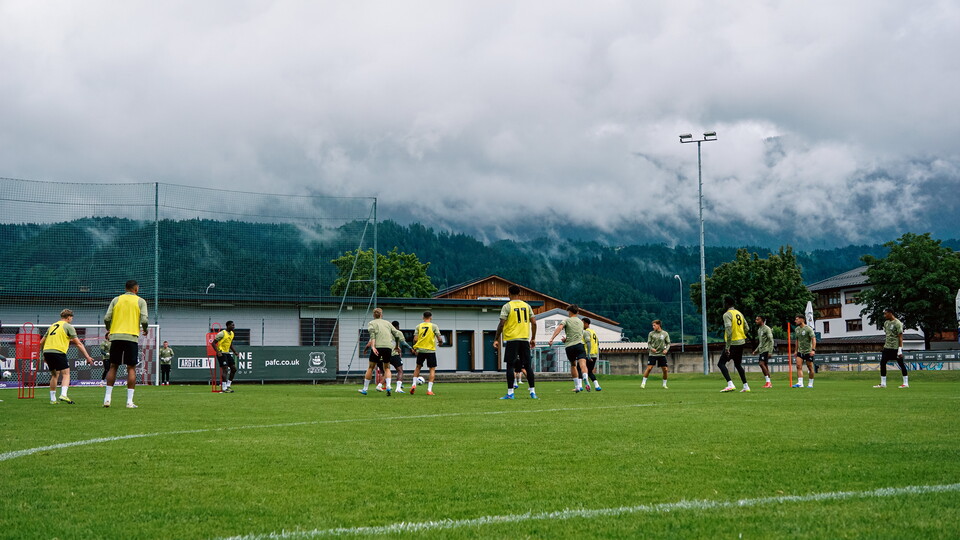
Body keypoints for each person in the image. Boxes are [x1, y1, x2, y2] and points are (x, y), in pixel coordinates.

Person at [103, 279, 149, 408]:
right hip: (131, 337)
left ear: (125, 288)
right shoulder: (140, 301)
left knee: (113, 366)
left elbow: (107, 318)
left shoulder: (116, 299)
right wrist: (145, 329)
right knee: (131, 368)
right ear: (136, 289)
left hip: (116, 336)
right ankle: (129, 402)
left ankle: (107, 399)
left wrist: (109, 329)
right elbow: (144, 320)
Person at [38, 309, 94, 404]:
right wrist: (87, 357)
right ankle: (63, 395)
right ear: (68, 317)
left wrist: (44, 354)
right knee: (66, 374)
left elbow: (41, 342)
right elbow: (78, 344)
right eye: (71, 318)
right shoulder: (68, 326)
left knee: (54, 375)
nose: (71, 319)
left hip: (47, 351)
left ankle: (53, 399)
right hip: (58, 351)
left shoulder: (52, 326)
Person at [493, 285, 538, 399]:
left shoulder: (507, 306)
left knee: (510, 366)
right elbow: (534, 323)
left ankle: (510, 393)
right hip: (524, 339)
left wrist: (496, 338)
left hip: (512, 339)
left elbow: (502, 324)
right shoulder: (527, 306)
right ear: (519, 293)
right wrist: (533, 338)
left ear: (509, 293)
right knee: (527, 366)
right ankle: (532, 392)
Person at [359, 308, 409, 396]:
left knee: (370, 367)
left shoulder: (371, 323)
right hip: (388, 347)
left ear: (373, 315)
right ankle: (388, 386)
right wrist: (397, 346)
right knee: (387, 368)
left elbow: (372, 336)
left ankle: (365, 389)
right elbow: (397, 334)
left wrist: (373, 347)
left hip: (377, 347)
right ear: (381, 315)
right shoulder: (387, 323)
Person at [548, 304, 590, 393]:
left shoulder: (566, 320)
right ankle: (585, 376)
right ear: (577, 312)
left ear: (570, 312)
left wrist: (552, 338)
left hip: (569, 346)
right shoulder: (581, 322)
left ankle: (577, 386)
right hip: (579, 345)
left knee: (573, 365)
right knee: (583, 364)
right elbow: (577, 334)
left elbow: (559, 328)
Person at [719, 296, 751, 393]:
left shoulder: (727, 314)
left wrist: (727, 347)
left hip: (732, 342)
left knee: (721, 363)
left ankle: (730, 384)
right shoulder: (739, 313)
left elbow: (729, 331)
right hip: (741, 342)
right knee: (737, 364)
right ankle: (746, 386)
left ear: (727, 303)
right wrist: (741, 334)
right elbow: (747, 328)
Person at [374, 321, 412, 393]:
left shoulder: (385, 333)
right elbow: (403, 343)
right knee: (400, 370)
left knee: (385, 371)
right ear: (398, 326)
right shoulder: (398, 332)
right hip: (394, 354)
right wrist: (411, 348)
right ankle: (398, 388)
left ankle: (381, 385)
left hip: (383, 354)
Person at [874, 308, 908, 388]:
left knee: (901, 364)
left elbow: (900, 337)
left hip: (895, 348)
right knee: (882, 363)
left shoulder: (898, 323)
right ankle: (883, 383)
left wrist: (900, 350)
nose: (884, 315)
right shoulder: (886, 323)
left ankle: (906, 383)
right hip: (887, 347)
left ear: (890, 313)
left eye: (885, 314)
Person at [411, 311, 442, 395]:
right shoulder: (434, 326)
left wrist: (415, 348)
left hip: (421, 350)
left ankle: (413, 385)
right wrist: (440, 342)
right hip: (430, 350)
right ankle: (429, 390)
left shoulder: (418, 326)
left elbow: (415, 339)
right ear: (431, 317)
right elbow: (439, 338)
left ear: (423, 317)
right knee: (432, 369)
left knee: (418, 367)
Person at [211, 321, 240, 393]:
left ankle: (228, 385)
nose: (234, 327)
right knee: (225, 369)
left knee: (234, 369)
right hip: (221, 353)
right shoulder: (222, 333)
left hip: (227, 353)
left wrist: (235, 352)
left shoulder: (232, 333)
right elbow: (213, 343)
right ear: (228, 326)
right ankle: (224, 388)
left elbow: (230, 344)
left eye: (234, 325)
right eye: (232, 325)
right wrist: (217, 352)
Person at [642, 319, 670, 389]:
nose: (653, 327)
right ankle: (643, 383)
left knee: (665, 369)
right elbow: (649, 344)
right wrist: (651, 348)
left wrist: (666, 350)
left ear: (658, 325)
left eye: (654, 325)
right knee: (649, 368)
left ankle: (664, 384)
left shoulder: (665, 333)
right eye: (652, 325)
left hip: (661, 354)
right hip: (653, 354)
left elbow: (668, 343)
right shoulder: (651, 333)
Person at [792, 314, 816, 388]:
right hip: (800, 351)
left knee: (810, 367)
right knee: (798, 366)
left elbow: (813, 339)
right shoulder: (797, 329)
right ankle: (800, 383)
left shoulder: (808, 329)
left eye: (797, 319)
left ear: (802, 320)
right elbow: (797, 340)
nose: (795, 321)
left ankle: (810, 383)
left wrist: (813, 350)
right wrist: (796, 351)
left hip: (808, 351)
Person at [753, 315, 774, 388]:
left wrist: (770, 351)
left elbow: (771, 340)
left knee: (761, 363)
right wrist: (756, 350)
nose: (756, 321)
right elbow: (761, 342)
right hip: (762, 350)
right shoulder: (759, 330)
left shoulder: (767, 329)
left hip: (766, 349)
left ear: (762, 320)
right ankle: (768, 382)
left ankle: (768, 382)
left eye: (757, 319)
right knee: (765, 365)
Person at [581, 318, 602, 391]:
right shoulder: (593, 332)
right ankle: (597, 386)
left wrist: (588, 354)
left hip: (588, 354)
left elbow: (588, 343)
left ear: (586, 324)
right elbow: (597, 343)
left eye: (582, 323)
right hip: (594, 355)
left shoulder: (586, 332)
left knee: (581, 369)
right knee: (590, 371)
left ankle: (584, 385)